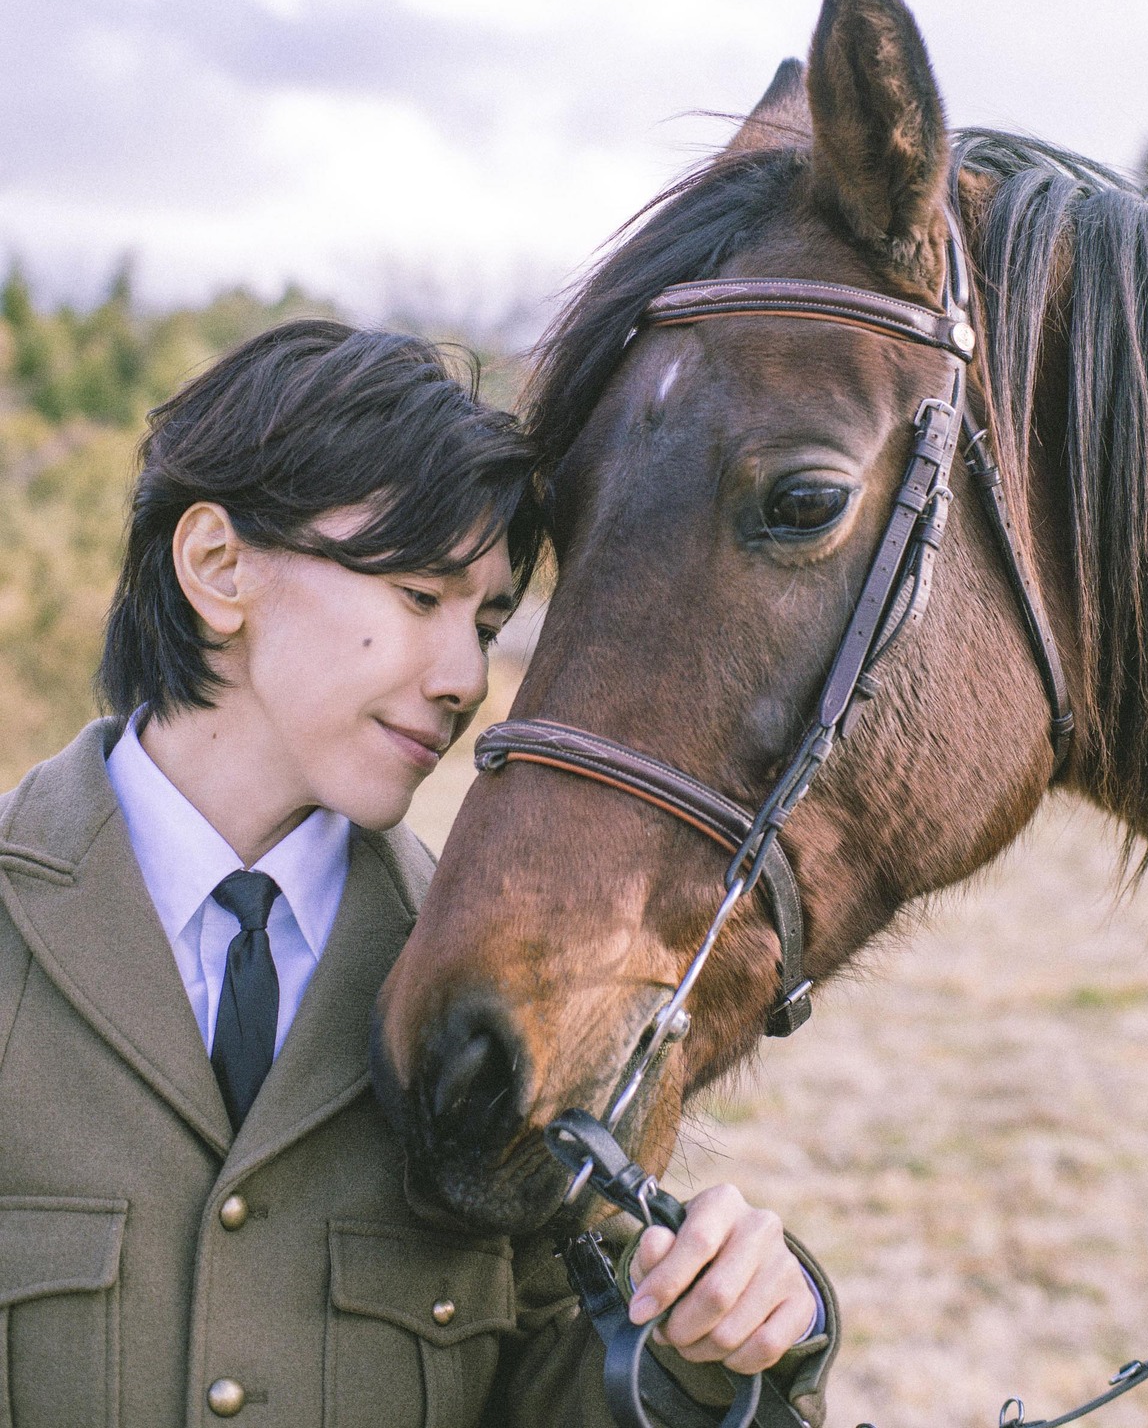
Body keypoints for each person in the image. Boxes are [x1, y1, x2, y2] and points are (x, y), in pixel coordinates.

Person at [0, 319, 838, 1426]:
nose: (465, 678)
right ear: (217, 566)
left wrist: (719, 1333)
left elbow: (568, 1378)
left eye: (486, 622)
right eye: (417, 595)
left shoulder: (491, 991)